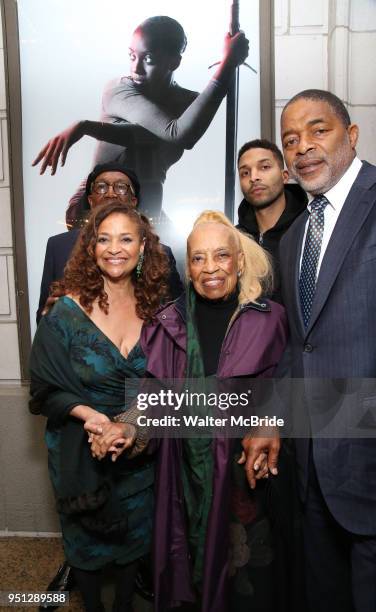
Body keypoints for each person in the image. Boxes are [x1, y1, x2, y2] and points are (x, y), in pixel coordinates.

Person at [88, 211, 290, 611]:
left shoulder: (272, 321)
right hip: (182, 482)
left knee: (247, 588)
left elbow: (290, 391)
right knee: (186, 580)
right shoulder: (167, 323)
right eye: (198, 258)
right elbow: (151, 401)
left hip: (245, 481)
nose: (210, 268)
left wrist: (273, 419)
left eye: (221, 256)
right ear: (188, 266)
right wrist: (126, 428)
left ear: (239, 259)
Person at [30, 202, 170, 612]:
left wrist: (129, 425)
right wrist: (92, 417)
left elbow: (164, 382)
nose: (115, 248)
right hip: (80, 452)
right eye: (104, 239)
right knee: (87, 549)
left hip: (137, 449)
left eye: (126, 238)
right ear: (91, 248)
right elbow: (42, 390)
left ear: (143, 246)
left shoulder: (158, 311)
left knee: (132, 545)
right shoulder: (64, 313)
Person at [279, 89, 376, 612]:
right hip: (313, 460)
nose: (304, 148)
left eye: (319, 131)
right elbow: (303, 346)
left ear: (352, 135)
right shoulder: (295, 237)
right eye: (291, 140)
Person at [32, 16, 249, 223]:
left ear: (174, 62)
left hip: (146, 206)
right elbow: (177, 132)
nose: (135, 68)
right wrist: (227, 65)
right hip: (96, 204)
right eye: (132, 56)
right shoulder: (118, 90)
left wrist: (87, 127)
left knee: (185, 254)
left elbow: (180, 137)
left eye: (148, 59)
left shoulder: (189, 102)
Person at [37, 162, 183, 323]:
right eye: (101, 187)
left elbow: (179, 318)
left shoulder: (160, 253)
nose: (111, 194)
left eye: (121, 187)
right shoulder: (58, 247)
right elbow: (42, 315)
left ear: (133, 201)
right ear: (91, 200)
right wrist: (49, 318)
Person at [237, 138, 307, 302]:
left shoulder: (309, 230)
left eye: (264, 167)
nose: (253, 177)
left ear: (284, 176)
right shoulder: (235, 239)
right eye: (245, 173)